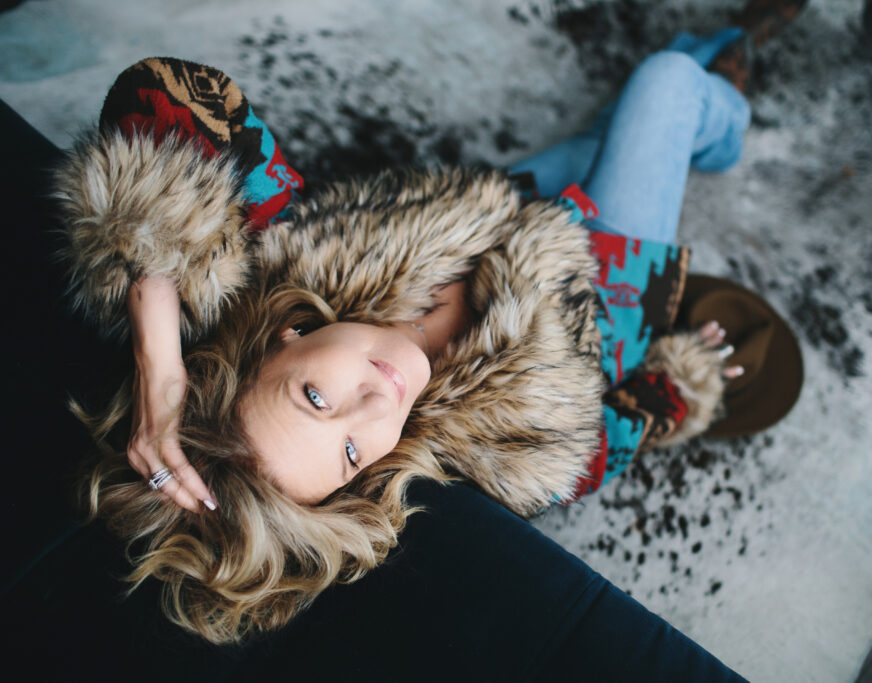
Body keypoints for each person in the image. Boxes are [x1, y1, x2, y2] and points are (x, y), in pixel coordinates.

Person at [56, 2, 805, 644]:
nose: (376, 402)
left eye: (315, 397)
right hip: (604, 287)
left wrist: (161, 364)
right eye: (352, 452)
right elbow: (603, 448)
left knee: (626, 123)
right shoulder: (504, 458)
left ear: (284, 338)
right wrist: (680, 385)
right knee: (665, 89)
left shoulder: (282, 255)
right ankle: (726, 107)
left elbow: (159, 93)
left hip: (493, 206)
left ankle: (714, 55)